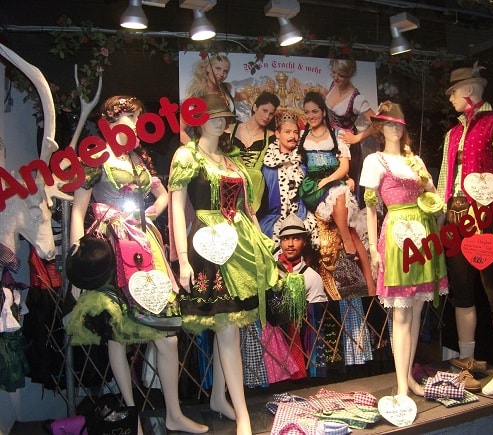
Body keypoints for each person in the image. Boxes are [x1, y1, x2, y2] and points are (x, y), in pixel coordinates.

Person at [66, 96, 208, 434]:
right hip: (111, 249)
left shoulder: (137, 159)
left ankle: (173, 412)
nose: (132, 122)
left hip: (144, 246)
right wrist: (75, 259)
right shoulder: (96, 157)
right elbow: (76, 209)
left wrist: (146, 215)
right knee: (118, 333)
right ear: (108, 120)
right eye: (126, 116)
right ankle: (132, 418)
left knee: (168, 335)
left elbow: (161, 195)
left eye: (136, 117)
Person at [169, 94, 278, 435]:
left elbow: (246, 208)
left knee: (228, 324)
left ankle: (219, 397)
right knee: (227, 324)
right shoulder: (187, 155)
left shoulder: (231, 159)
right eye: (214, 116)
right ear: (198, 119)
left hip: (240, 244)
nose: (221, 122)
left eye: (225, 117)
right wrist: (183, 259)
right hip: (208, 243)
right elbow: (176, 207)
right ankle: (244, 413)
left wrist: (260, 242)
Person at [437, 62, 493, 396]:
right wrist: (442, 216)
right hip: (458, 221)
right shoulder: (453, 133)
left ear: (469, 91)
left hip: (487, 220)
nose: (450, 99)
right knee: (463, 291)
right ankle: (467, 364)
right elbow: (446, 177)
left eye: (453, 93)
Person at [360, 101, 448, 399]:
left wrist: (436, 209)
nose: (394, 128)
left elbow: (434, 198)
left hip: (423, 236)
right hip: (396, 235)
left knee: (417, 311)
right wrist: (373, 247)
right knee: (401, 313)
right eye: (388, 124)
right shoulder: (374, 161)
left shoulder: (416, 162)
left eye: (398, 124)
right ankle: (400, 386)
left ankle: (408, 377)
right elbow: (371, 209)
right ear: (380, 128)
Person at [297, 90, 374, 295]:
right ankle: (349, 246)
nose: (311, 115)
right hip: (312, 186)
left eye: (315, 111)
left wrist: (331, 180)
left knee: (342, 201)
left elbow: (344, 169)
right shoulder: (302, 137)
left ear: (323, 112)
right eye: (307, 112)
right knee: (341, 197)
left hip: (332, 180)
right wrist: (328, 182)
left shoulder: (336, 135)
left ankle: (369, 284)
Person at [260, 108, 318, 248]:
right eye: (287, 132)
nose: (293, 136)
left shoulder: (305, 159)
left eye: (296, 132)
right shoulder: (268, 165)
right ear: (277, 134)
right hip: (274, 218)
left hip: (301, 216)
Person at [325, 59, 375, 207]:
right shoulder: (334, 85)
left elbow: (377, 123)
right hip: (329, 139)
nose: (336, 77)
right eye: (334, 72)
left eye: (341, 75)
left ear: (349, 75)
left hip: (345, 145)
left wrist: (356, 138)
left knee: (346, 187)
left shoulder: (357, 99)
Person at [231, 91, 280, 214]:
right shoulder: (232, 129)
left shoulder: (272, 136)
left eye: (271, 113)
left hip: (255, 188)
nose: (267, 116)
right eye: (264, 110)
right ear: (255, 107)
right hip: (230, 183)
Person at [181, 53, 237, 144]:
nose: (221, 74)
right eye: (218, 68)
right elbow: (181, 129)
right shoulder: (195, 97)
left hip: (226, 145)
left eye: (225, 71)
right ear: (208, 68)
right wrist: (197, 151)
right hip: (204, 146)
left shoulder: (227, 88)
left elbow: (241, 96)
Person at [276, 212, 327, 304]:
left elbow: (317, 314)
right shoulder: (267, 269)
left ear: (304, 242)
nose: (290, 244)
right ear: (280, 242)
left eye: (296, 238)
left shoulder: (312, 278)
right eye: (286, 238)